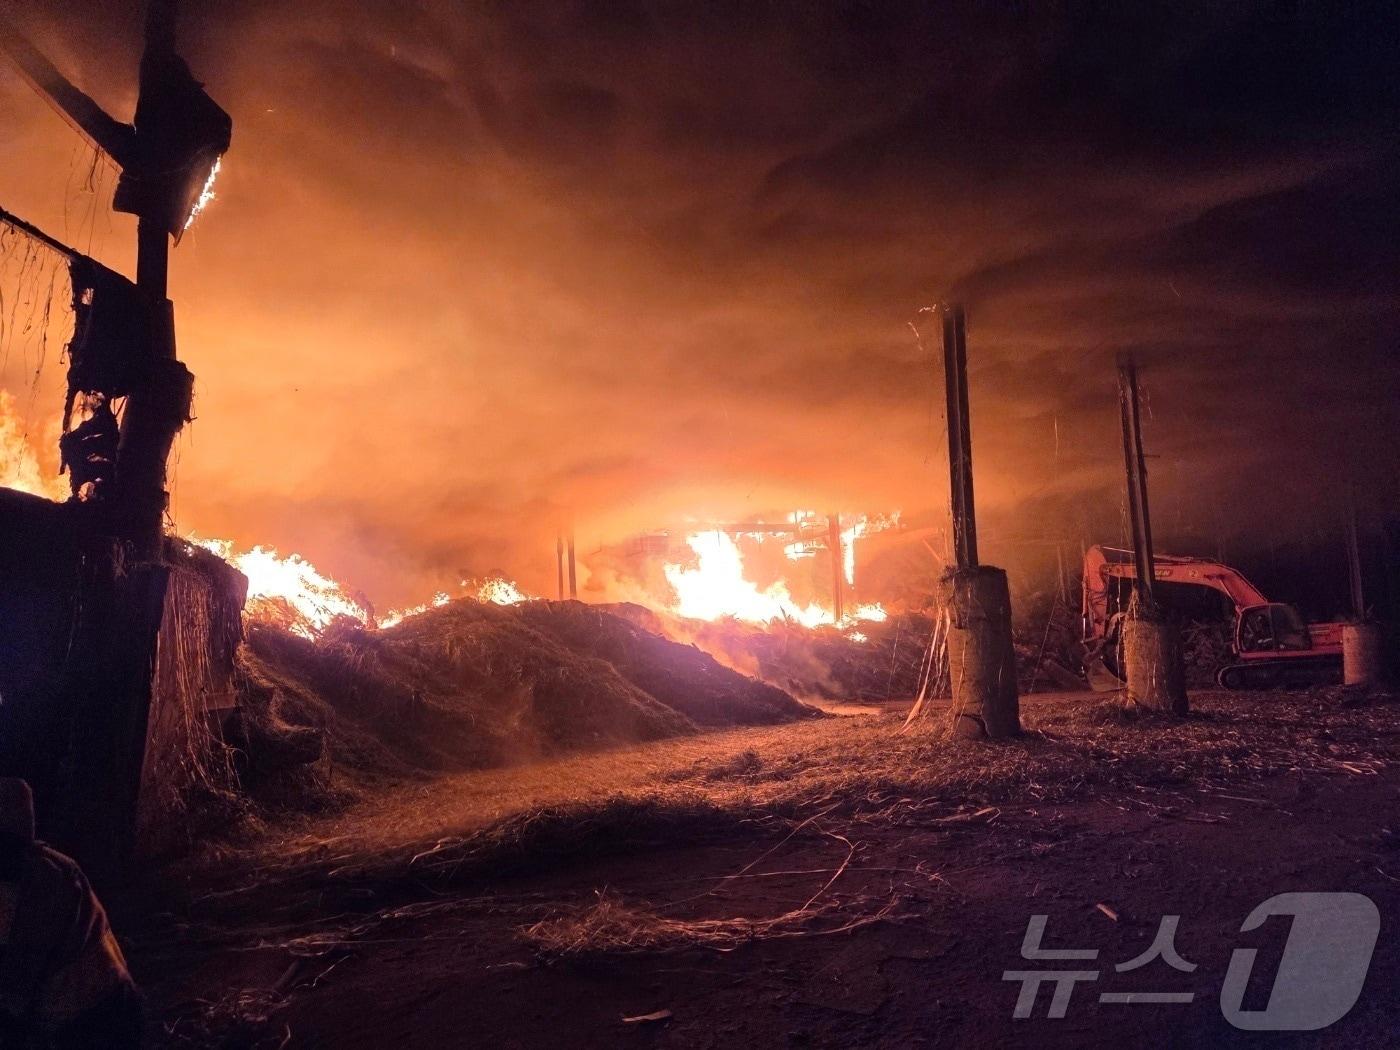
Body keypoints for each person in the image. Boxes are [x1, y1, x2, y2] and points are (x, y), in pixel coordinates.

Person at [0, 778, 141, 1048]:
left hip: (94, 1023)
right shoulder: (50, 868)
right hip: (101, 1010)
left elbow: (13, 999)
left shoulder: (33, 886)